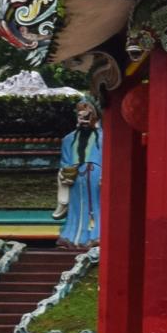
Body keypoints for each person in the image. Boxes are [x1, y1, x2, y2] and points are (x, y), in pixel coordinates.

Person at [55, 98, 102, 247]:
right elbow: (65, 161)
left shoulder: (105, 138)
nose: (83, 119)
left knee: (96, 205)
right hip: (76, 178)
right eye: (80, 116)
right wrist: (66, 174)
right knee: (76, 207)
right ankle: (71, 236)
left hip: (96, 177)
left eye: (87, 115)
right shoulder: (69, 139)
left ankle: (97, 235)